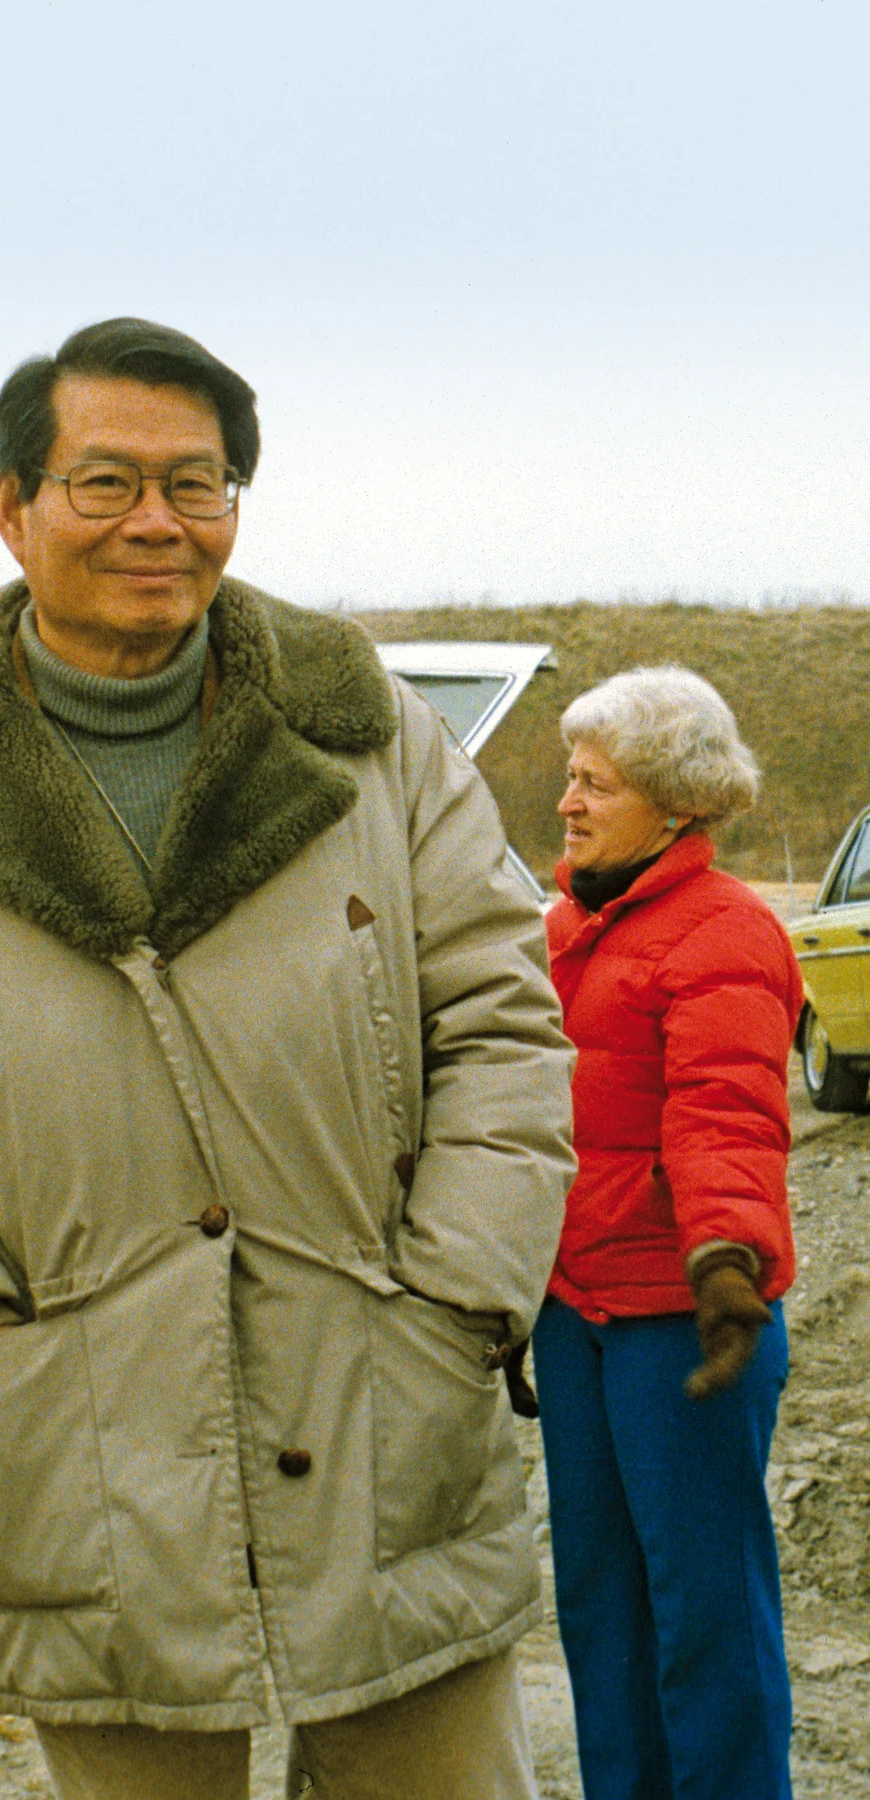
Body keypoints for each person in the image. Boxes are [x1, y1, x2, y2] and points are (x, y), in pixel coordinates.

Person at [0, 318, 575, 1800]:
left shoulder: (370, 744)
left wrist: (456, 1300)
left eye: (196, 484)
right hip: (68, 1441)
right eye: (106, 482)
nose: (157, 522)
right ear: (11, 506)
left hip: (382, 1414)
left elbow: (501, 1025)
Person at [529, 665, 802, 1800]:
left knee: (704, 1611)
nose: (567, 802)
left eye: (596, 783)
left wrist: (726, 1259)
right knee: (600, 1609)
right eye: (570, 777)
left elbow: (725, 1113)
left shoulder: (727, 933)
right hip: (574, 1316)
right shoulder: (561, 931)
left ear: (676, 804)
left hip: (688, 1323)